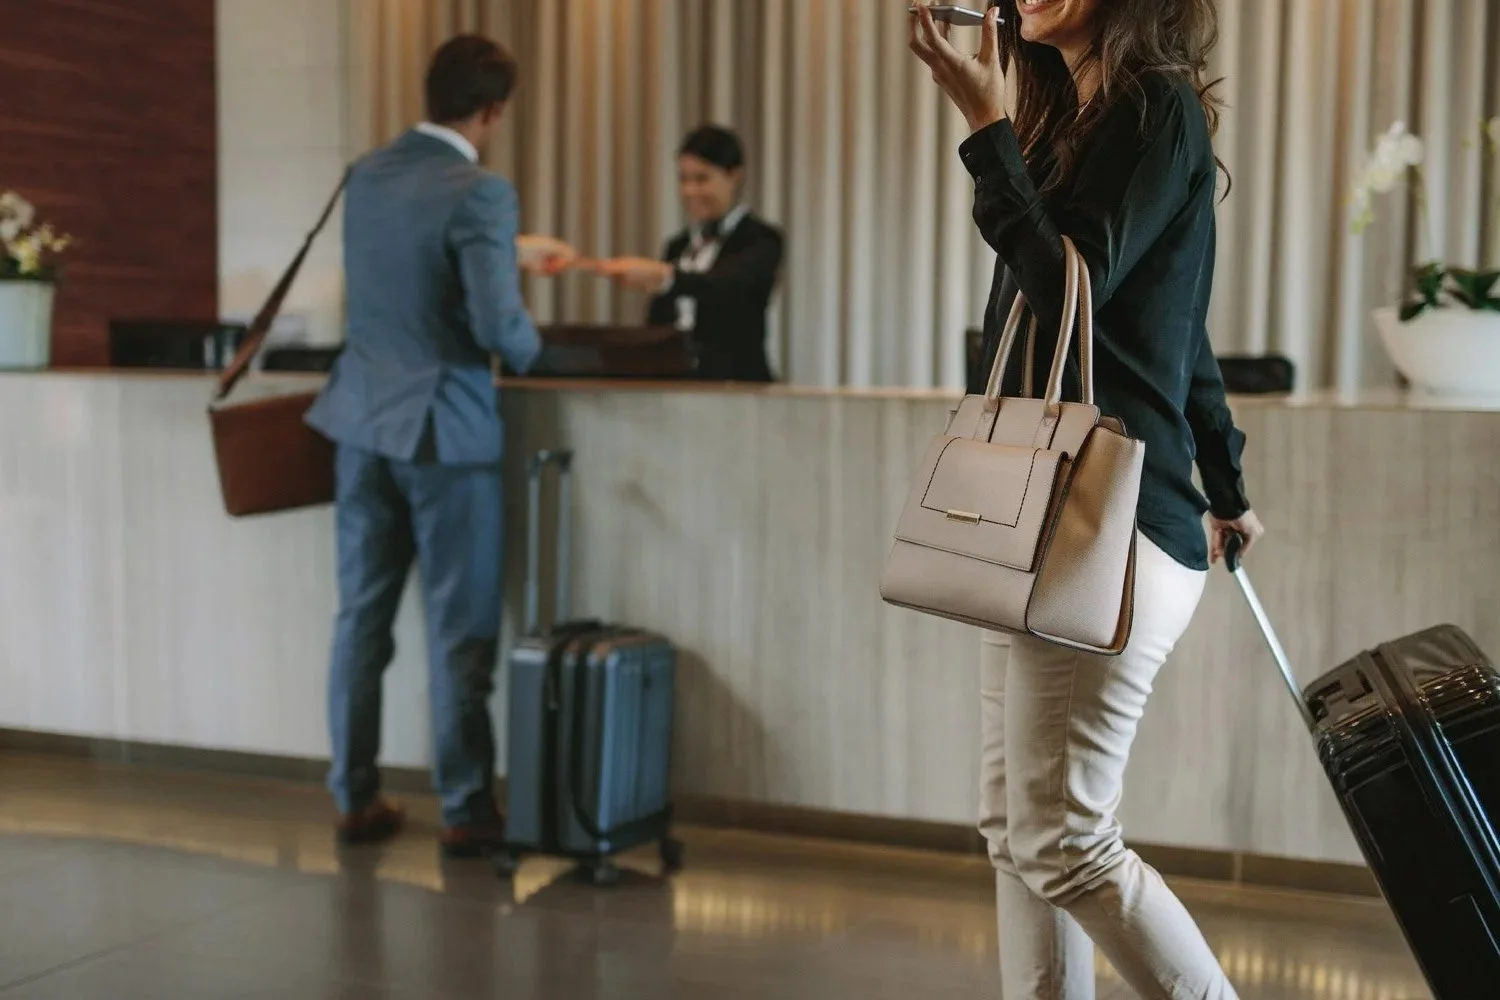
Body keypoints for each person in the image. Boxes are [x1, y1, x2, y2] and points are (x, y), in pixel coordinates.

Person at [909, 2, 1264, 998]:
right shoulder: (1076, 116)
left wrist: (983, 131)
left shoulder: (1153, 109)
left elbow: (1071, 289)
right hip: (1048, 521)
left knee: (1063, 841)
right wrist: (1229, 484)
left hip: (1101, 528)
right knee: (1018, 832)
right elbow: (1178, 336)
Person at [305, 34, 577, 857]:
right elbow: (499, 327)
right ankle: (464, 808)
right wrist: (537, 349)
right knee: (459, 630)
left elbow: (404, 270)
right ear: (493, 110)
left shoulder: (368, 174)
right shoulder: (481, 192)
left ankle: (354, 796)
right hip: (443, 432)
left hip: (359, 425)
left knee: (360, 619)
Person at [595, 126, 784, 382]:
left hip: (738, 388)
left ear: (734, 176)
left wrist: (666, 278)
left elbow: (725, 285)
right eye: (683, 179)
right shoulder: (677, 245)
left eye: (701, 179)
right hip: (676, 387)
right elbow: (658, 325)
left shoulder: (761, 240)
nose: (689, 191)